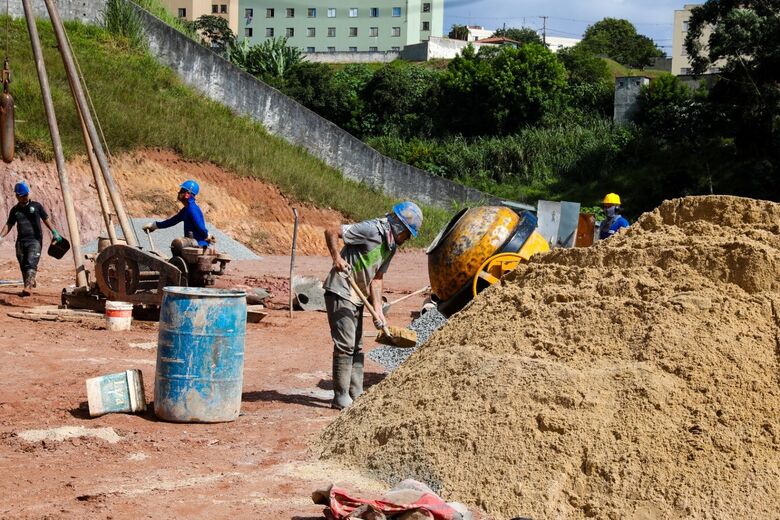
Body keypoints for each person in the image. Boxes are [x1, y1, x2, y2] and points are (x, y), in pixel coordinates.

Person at [323, 201, 423, 410]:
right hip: (341, 289)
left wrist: (378, 311)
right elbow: (331, 231)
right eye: (407, 233)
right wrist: (337, 258)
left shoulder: (390, 247)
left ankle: (356, 392)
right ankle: (340, 397)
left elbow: (377, 279)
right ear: (399, 226)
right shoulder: (371, 230)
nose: (407, 239)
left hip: (357, 296)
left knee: (357, 345)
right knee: (345, 345)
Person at [0, 181, 63, 296]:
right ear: (17, 196)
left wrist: (54, 232)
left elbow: (46, 219)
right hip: (21, 241)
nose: (25, 197)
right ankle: (29, 282)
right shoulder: (15, 210)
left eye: (26, 195)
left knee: (31, 262)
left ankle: (28, 287)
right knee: (23, 264)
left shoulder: (37, 206)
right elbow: (9, 224)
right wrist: (1, 236)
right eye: (22, 196)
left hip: (35, 240)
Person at [143, 180, 209, 247]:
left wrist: (207, 235)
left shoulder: (192, 209)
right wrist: (154, 225)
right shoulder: (186, 209)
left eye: (181, 191)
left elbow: (201, 228)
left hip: (199, 247)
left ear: (187, 194)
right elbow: (172, 221)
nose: (179, 192)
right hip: (192, 246)